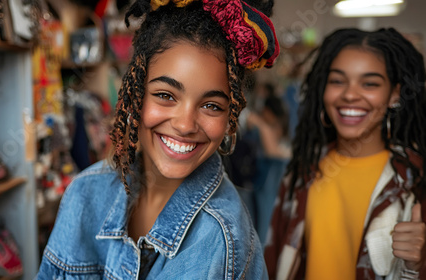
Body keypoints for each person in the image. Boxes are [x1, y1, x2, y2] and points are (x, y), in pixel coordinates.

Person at [37, 0, 279, 278]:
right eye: (165, 95)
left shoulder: (221, 240)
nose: (185, 125)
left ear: (230, 118)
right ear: (136, 93)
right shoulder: (85, 194)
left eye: (211, 105)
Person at [264, 28, 426, 280]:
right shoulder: (304, 168)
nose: (350, 94)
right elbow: (273, 260)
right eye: (337, 81)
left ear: (395, 94)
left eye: (370, 83)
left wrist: (416, 268)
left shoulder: (415, 180)